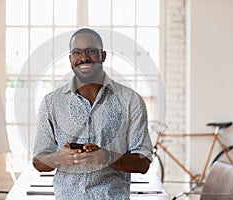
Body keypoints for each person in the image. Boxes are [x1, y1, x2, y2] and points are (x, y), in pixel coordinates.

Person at [33, 28, 153, 199]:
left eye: (91, 51)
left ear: (103, 56)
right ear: (70, 59)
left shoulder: (130, 101)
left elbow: (143, 163)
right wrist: (58, 157)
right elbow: (38, 162)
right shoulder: (51, 103)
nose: (83, 58)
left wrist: (108, 157)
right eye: (77, 52)